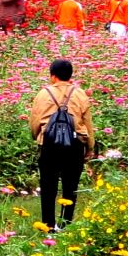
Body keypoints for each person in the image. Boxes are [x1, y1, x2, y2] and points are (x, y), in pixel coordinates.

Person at [29, 58, 93, 229]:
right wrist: (89, 148)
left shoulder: (43, 94)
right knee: (70, 186)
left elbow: (35, 123)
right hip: (75, 144)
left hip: (49, 145)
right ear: (70, 76)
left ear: (53, 76)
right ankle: (65, 225)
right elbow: (87, 124)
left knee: (48, 186)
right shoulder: (80, 94)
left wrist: (38, 138)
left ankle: (48, 226)